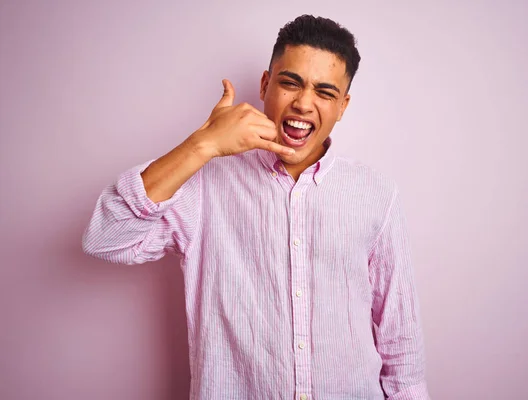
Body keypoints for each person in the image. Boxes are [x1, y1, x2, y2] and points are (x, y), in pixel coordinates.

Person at [82, 14, 430, 400]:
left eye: (325, 93)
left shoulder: (376, 194)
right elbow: (105, 237)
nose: (303, 103)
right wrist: (203, 145)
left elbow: (401, 342)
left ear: (343, 105)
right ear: (265, 84)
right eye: (290, 83)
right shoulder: (205, 183)